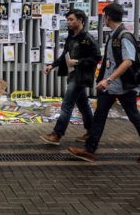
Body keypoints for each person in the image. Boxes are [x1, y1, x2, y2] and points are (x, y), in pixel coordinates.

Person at [68, 3, 140, 162]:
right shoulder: (114, 35)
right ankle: (89, 150)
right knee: (99, 117)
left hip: (124, 87)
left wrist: (108, 79)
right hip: (110, 87)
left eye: (104, 17)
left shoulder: (124, 36)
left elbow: (128, 61)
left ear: (108, 17)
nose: (104, 20)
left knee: (134, 117)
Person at [40, 9, 101, 145]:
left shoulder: (87, 38)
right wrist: (53, 65)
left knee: (67, 104)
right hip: (73, 74)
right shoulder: (71, 36)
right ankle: (91, 132)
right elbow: (65, 54)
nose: (68, 22)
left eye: (71, 19)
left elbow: (97, 57)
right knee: (83, 104)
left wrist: (79, 62)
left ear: (80, 21)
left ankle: (57, 134)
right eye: (68, 20)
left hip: (81, 76)